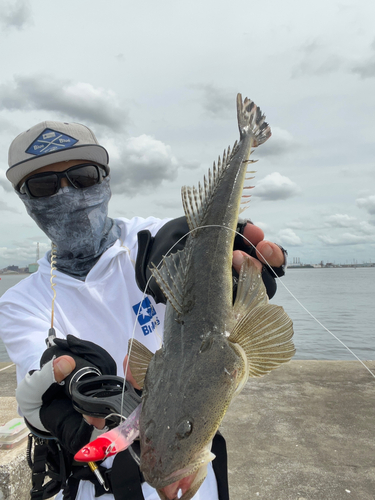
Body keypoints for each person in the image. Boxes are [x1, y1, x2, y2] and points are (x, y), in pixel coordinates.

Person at [0, 121, 287, 500]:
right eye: (43, 186)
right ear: (26, 200)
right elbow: (41, 370)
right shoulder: (20, 301)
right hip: (98, 485)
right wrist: (70, 390)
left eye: (83, 176)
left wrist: (248, 277)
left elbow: (234, 258)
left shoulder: (158, 240)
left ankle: (247, 138)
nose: (66, 195)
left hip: (186, 467)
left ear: (105, 181)